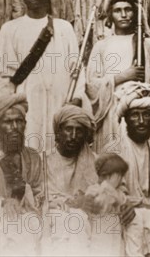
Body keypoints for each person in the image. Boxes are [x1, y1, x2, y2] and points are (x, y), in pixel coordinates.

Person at [0, 0, 83, 152]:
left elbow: (77, 70)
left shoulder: (64, 28)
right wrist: (7, 111)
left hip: (60, 101)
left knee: (58, 155)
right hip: (27, 105)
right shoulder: (10, 29)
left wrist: (76, 99)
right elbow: (2, 78)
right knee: (30, 154)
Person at [86, 0, 150, 153]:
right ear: (110, 15)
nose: (123, 14)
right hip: (111, 115)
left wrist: (141, 93)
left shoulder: (147, 45)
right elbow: (91, 85)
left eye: (128, 9)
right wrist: (121, 77)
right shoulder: (101, 46)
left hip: (141, 115)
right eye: (117, 10)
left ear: (135, 13)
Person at [0, 93, 43, 255]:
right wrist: (3, 202)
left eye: (19, 121)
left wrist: (29, 201)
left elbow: (41, 194)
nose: (15, 127)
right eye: (8, 122)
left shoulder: (32, 157)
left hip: (29, 218)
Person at [82, 153, 150, 257]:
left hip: (115, 225)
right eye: (119, 176)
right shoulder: (98, 189)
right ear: (106, 175)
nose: (122, 180)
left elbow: (125, 202)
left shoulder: (117, 191)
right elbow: (94, 203)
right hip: (101, 226)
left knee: (120, 244)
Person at [43, 104, 97, 257]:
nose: (73, 136)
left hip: (85, 217)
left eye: (79, 131)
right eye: (68, 129)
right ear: (58, 133)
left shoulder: (95, 162)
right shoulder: (42, 161)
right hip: (53, 216)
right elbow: (35, 198)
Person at [116, 82, 150, 206]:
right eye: (135, 115)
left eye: (146, 115)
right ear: (126, 119)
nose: (141, 121)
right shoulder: (117, 151)